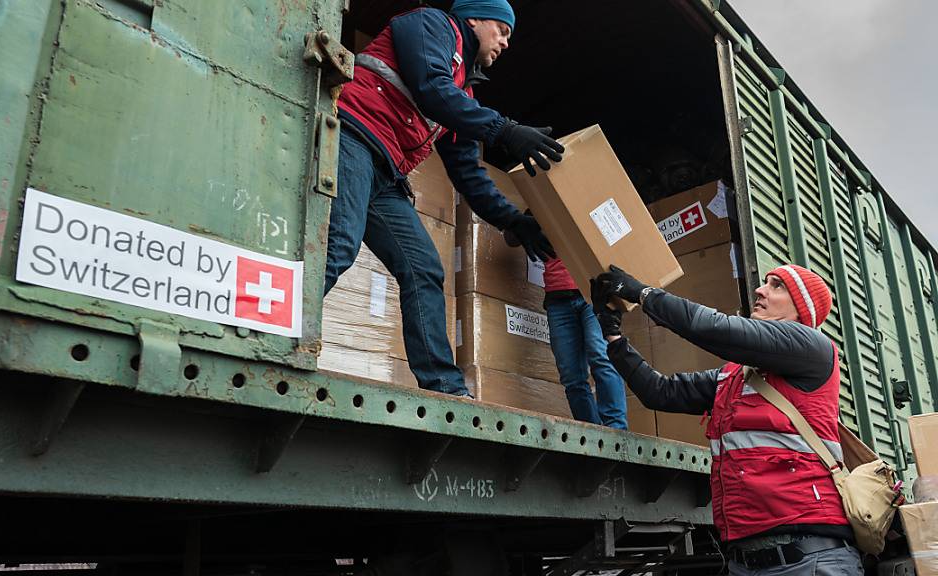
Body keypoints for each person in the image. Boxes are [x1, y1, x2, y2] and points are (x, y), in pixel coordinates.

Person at [328, 0, 563, 396]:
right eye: (502, 30)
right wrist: (505, 130)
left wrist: (513, 221)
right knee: (340, 243)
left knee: (424, 268)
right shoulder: (431, 25)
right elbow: (430, 86)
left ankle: (444, 387)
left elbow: (468, 173)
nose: (505, 43)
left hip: (386, 173)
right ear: (475, 18)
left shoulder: (462, 92)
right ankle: (274, 330)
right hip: (355, 135)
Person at [592, 264, 861, 575]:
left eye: (777, 286)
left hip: (809, 561)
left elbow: (714, 329)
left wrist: (643, 293)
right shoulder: (733, 377)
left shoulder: (815, 349)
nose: (760, 290)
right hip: (745, 562)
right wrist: (613, 336)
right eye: (765, 283)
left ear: (802, 309)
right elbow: (661, 392)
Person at [503, 225, 627, 428]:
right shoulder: (540, 211)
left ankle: (616, 430)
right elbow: (511, 238)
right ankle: (593, 433)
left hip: (592, 292)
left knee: (600, 355)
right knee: (571, 376)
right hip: (557, 300)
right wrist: (529, 218)